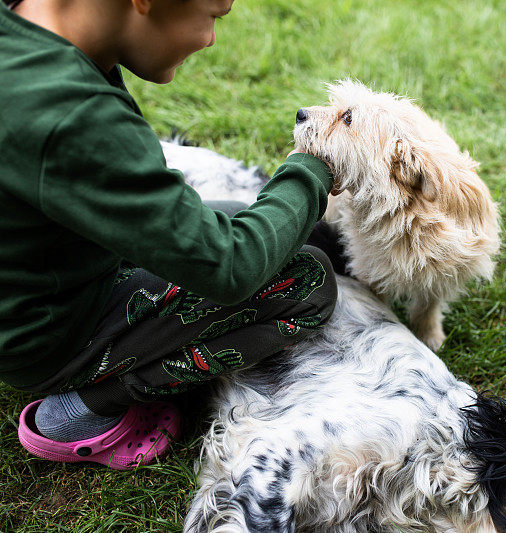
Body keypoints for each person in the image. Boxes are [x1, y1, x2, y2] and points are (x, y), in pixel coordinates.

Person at [0, 0, 340, 470]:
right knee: (306, 278)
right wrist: (315, 167)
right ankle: (86, 407)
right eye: (215, 13)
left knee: (241, 218)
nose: (210, 38)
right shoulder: (69, 113)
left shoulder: (24, 34)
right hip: (44, 336)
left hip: (38, 283)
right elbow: (231, 266)